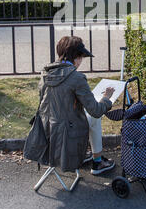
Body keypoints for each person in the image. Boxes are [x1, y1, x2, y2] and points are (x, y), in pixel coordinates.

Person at [32, 35, 116, 175]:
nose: (81, 61)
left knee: (84, 117)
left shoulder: (45, 73)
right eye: (81, 57)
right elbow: (96, 110)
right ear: (76, 57)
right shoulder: (77, 78)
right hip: (68, 132)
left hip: (47, 128)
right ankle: (97, 161)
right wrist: (106, 98)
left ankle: (82, 155)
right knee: (95, 118)